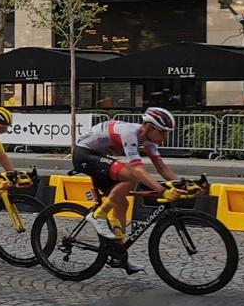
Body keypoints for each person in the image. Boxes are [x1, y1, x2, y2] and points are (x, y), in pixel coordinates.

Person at [73, 107, 195, 273]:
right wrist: (161, 190)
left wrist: (183, 184)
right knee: (131, 175)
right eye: (163, 132)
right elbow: (137, 170)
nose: (165, 138)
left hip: (99, 158)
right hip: (84, 155)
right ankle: (98, 215)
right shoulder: (130, 133)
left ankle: (119, 254)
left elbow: (162, 168)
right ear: (149, 127)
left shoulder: (149, 141)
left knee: (121, 203)